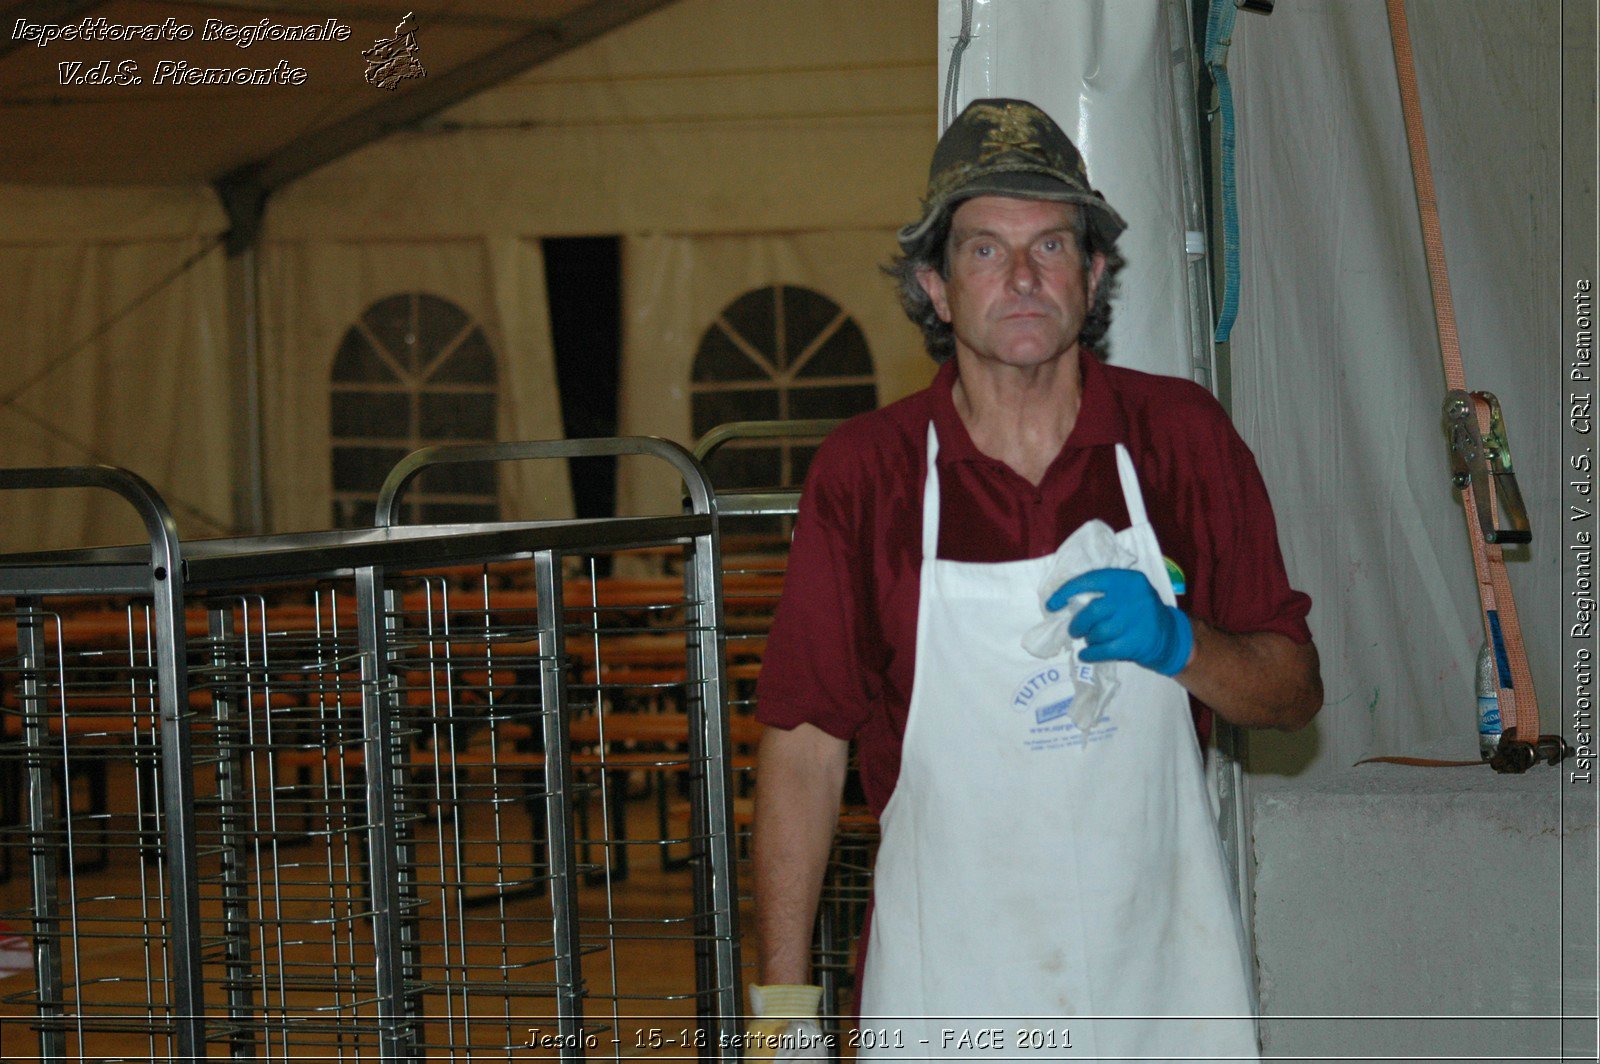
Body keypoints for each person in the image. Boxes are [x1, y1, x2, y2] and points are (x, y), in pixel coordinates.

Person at [744, 98, 1322, 1062]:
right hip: (947, 993)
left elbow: (1293, 690)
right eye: (983, 251)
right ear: (933, 285)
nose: (1021, 277)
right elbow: (805, 749)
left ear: (1094, 273)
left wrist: (1184, 644)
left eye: (1052, 245)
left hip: (1160, 990)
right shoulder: (871, 473)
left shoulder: (1180, 440)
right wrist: (780, 1011)